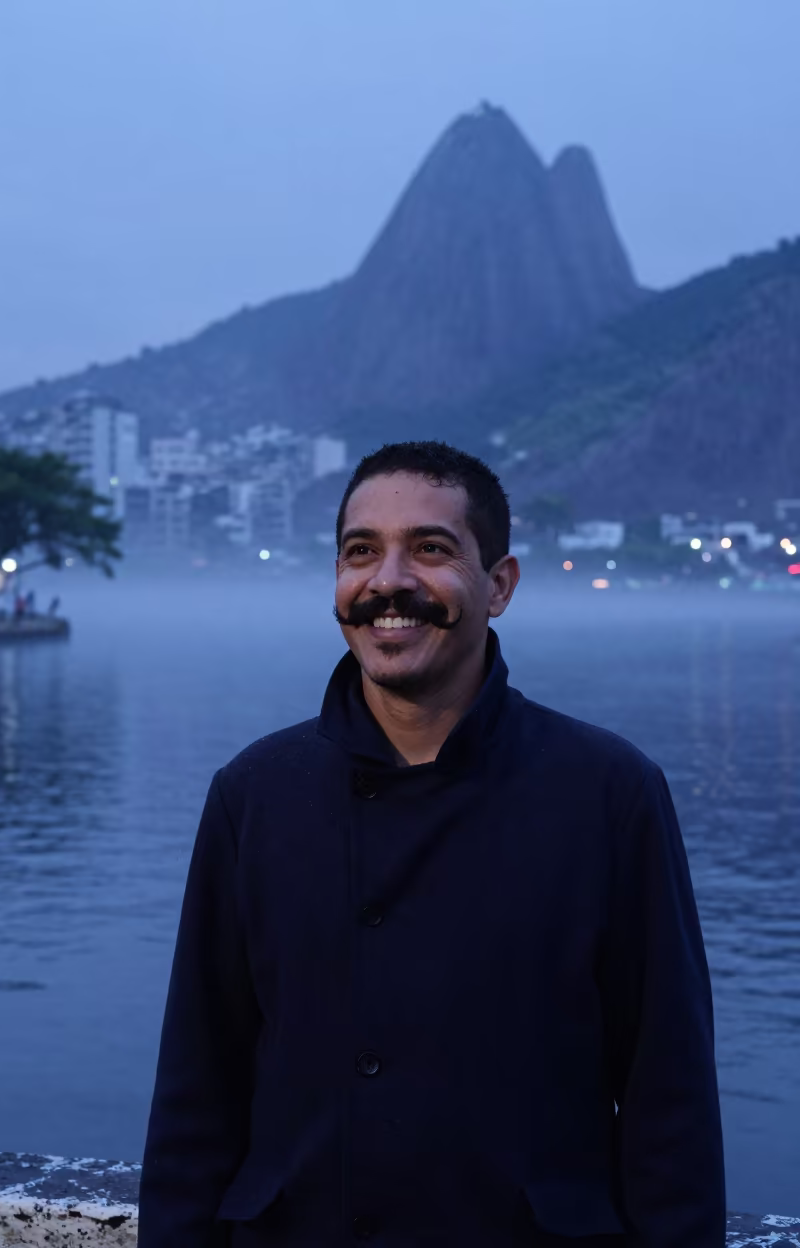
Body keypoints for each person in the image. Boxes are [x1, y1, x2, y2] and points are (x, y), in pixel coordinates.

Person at [138, 440, 726, 1247]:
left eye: (432, 549)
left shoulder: (610, 793)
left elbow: (672, 1103)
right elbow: (195, 1094)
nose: (388, 582)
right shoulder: (254, 794)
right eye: (360, 553)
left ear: (500, 586)